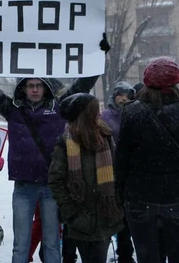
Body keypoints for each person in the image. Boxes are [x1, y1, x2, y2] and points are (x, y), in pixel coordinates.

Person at [0, 35, 109, 263]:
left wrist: (99, 56)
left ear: (46, 86)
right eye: (30, 85)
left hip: (52, 187)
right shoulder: (11, 109)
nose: (34, 89)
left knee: (52, 245)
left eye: (38, 85)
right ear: (23, 88)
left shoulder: (60, 107)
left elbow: (82, 85)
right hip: (23, 188)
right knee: (21, 246)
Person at [115, 57, 179, 263]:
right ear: (176, 83)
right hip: (176, 196)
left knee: (147, 257)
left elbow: (122, 159)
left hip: (139, 196)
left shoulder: (131, 112)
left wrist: (120, 195)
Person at [48, 93, 124, 263]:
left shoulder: (106, 136)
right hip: (80, 217)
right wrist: (71, 214)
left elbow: (118, 172)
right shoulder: (66, 143)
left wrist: (116, 202)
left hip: (105, 214)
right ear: (85, 113)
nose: (99, 113)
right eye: (95, 110)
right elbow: (56, 180)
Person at [100, 82, 137, 263]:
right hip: (110, 171)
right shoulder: (105, 116)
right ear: (114, 96)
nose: (123, 98)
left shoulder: (135, 113)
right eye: (120, 94)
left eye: (127, 94)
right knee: (110, 214)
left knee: (127, 218)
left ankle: (126, 254)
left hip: (130, 173)